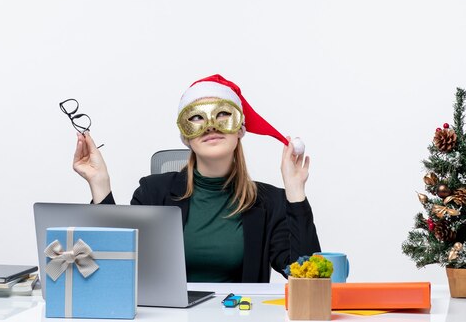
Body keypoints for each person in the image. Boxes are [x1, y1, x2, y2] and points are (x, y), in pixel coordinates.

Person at [72, 74, 321, 282]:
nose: (211, 126)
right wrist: (100, 184)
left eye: (223, 115)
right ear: (185, 136)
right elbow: (116, 267)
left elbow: (307, 279)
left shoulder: (270, 201)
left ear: (240, 129)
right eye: (196, 118)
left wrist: (295, 192)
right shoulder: (153, 192)